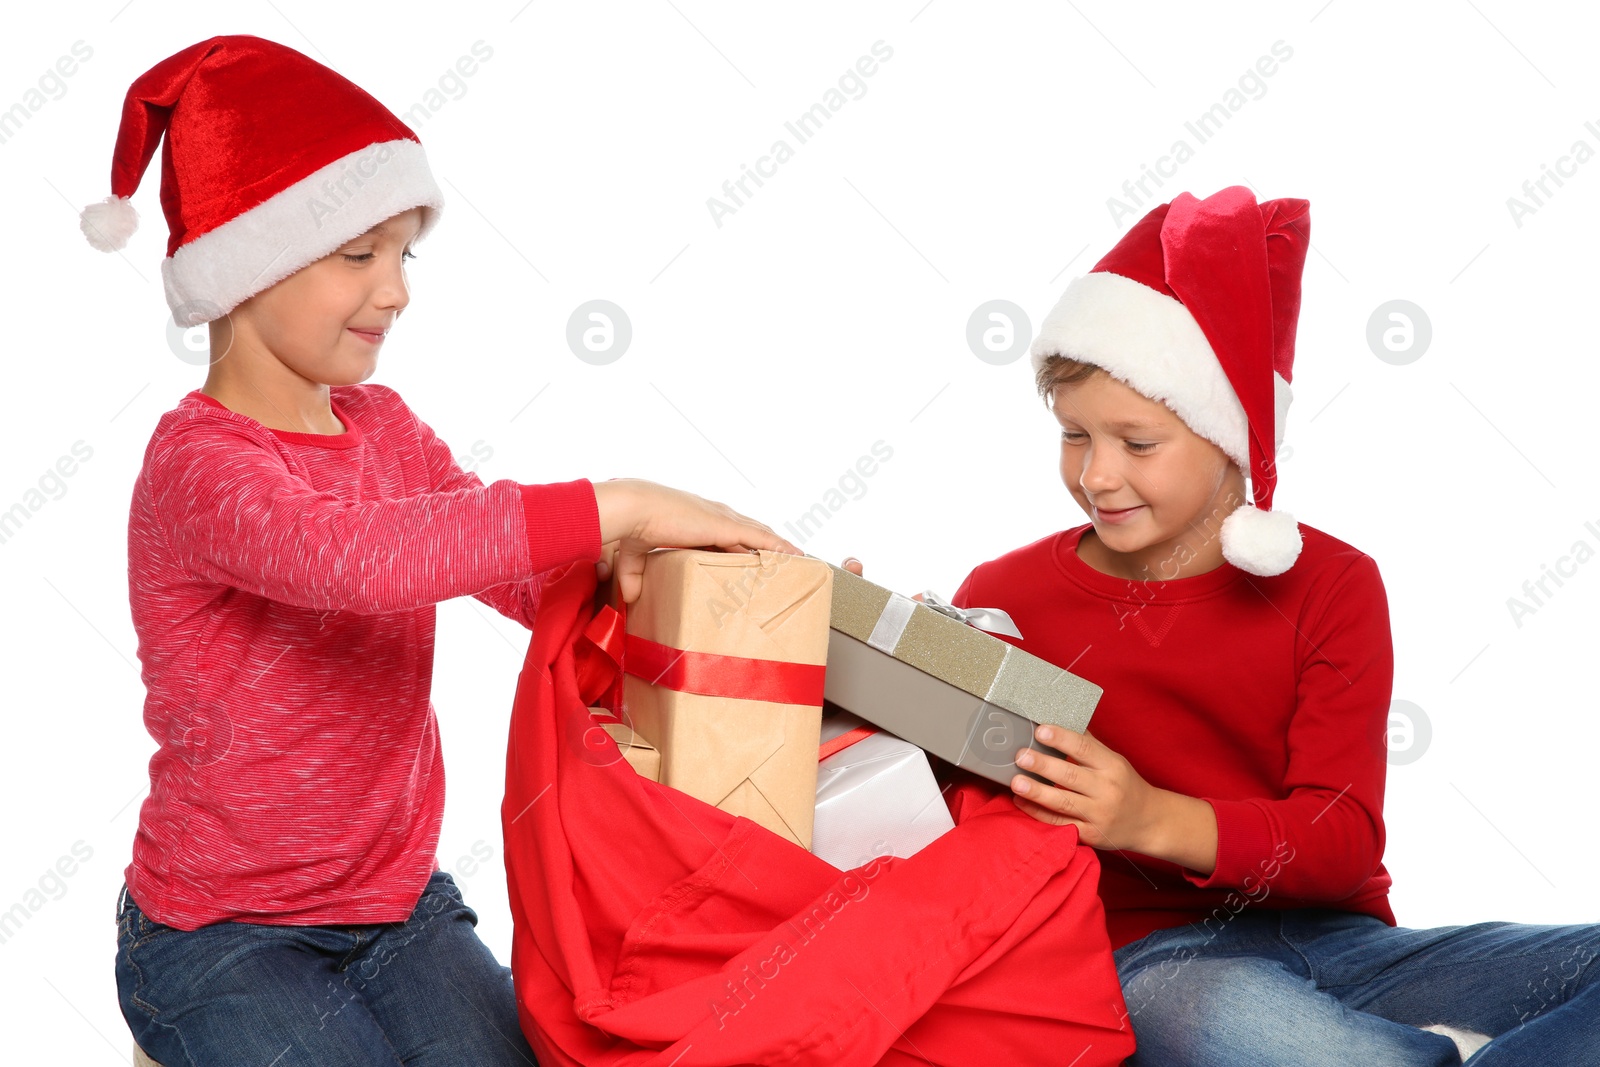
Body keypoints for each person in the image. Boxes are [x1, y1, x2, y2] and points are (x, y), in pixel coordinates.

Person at [86, 36, 795, 1067]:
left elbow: (497, 561)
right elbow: (345, 556)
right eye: (356, 254)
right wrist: (616, 502)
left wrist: (637, 573)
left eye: (403, 253)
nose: (397, 290)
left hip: (399, 907)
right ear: (248, 262)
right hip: (219, 933)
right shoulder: (200, 463)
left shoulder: (382, 427)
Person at [946, 185, 1599, 1065]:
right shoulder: (1007, 592)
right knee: (1210, 1015)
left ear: (1229, 432)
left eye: (1137, 444)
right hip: (1157, 962)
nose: (1096, 474)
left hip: (1348, 944)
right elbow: (950, 814)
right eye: (1073, 435)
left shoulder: (1333, 583)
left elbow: (1340, 835)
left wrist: (1150, 816)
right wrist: (892, 658)